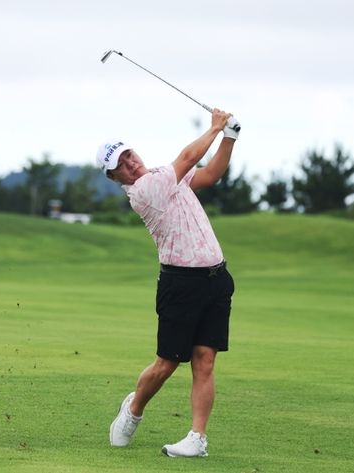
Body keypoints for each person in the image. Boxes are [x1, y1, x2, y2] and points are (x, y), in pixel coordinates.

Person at [95, 109, 239, 458]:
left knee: (205, 360)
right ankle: (133, 409)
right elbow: (189, 157)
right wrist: (215, 128)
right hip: (181, 283)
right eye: (121, 165)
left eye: (129, 155)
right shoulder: (144, 191)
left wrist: (230, 137)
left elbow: (210, 174)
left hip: (215, 279)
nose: (130, 163)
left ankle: (197, 439)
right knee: (167, 364)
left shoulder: (163, 174)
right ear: (114, 177)